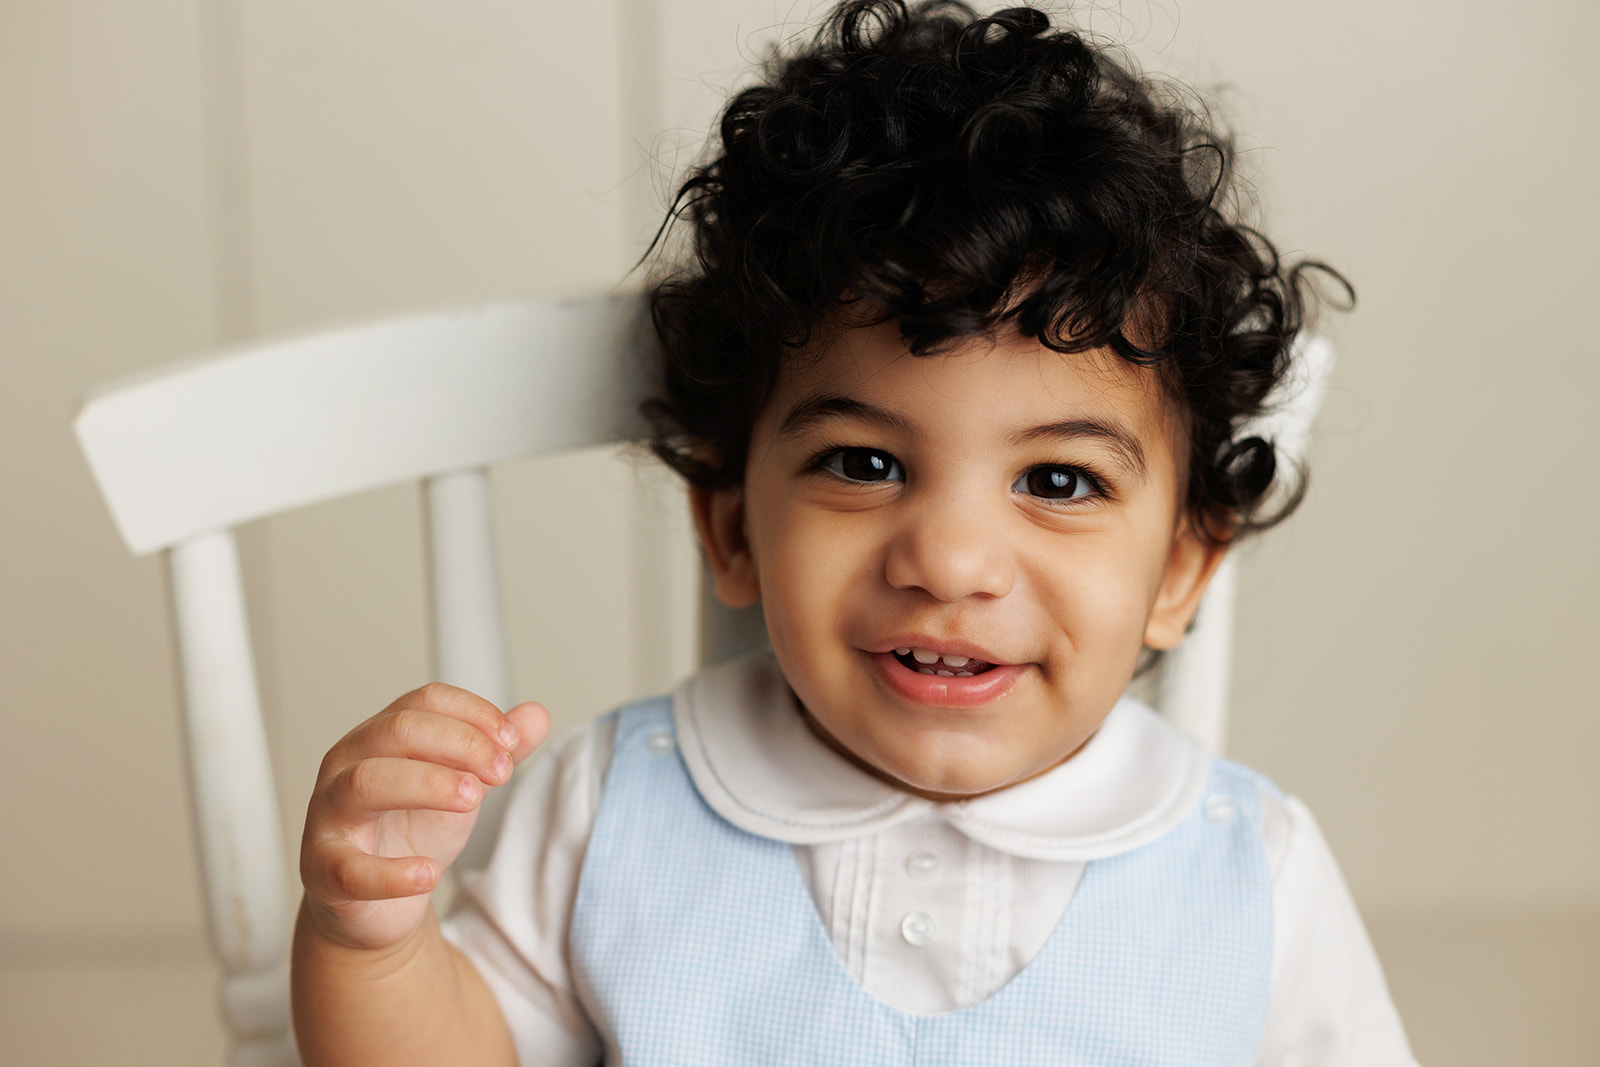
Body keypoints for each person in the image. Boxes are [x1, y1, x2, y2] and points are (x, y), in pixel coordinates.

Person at [291, 2, 1417, 1063]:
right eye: (866, 464)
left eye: (1059, 478)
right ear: (729, 527)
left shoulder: (1245, 868)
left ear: (1178, 571)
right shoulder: (611, 808)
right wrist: (370, 937)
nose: (949, 559)